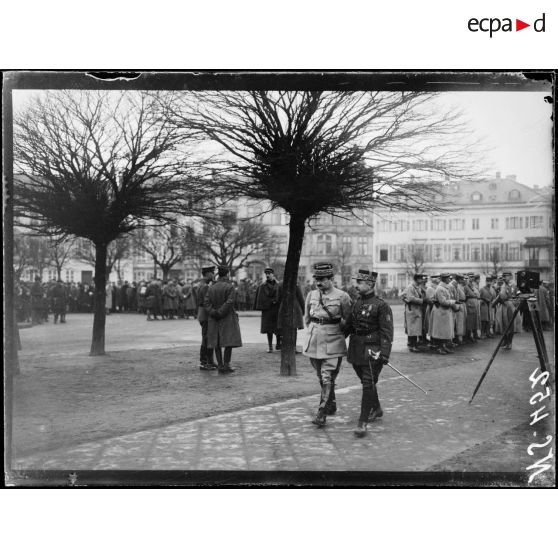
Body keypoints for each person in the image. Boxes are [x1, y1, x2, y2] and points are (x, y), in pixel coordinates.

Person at [302, 262, 352, 428]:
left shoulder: (342, 296)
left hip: (333, 341)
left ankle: (321, 413)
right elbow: (307, 318)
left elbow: (348, 321)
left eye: (322, 279)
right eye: (317, 279)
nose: (318, 282)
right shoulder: (311, 295)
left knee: (327, 376)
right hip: (314, 341)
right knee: (320, 376)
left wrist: (338, 336)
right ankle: (331, 402)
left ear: (332, 279)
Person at [346, 269, 394, 438]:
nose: (356, 286)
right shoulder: (356, 303)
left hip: (372, 351)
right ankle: (377, 408)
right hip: (356, 350)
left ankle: (362, 422)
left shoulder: (381, 306)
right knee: (367, 382)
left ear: (370, 284)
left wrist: (385, 354)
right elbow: (349, 327)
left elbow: (387, 333)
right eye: (357, 282)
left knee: (367, 383)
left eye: (359, 283)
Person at [204, 266, 242, 374]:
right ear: (227, 274)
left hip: (214, 318)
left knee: (216, 342)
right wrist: (221, 312)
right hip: (227, 317)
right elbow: (230, 302)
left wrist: (213, 312)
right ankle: (226, 365)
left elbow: (206, 303)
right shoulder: (230, 287)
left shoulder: (211, 287)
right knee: (228, 342)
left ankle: (220, 365)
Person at [429, 272, 460, 354]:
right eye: (448, 278)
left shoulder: (445, 287)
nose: (450, 279)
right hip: (440, 312)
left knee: (445, 331)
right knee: (440, 331)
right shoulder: (440, 288)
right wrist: (453, 302)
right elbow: (443, 302)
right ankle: (440, 347)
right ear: (445, 279)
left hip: (445, 312)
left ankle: (443, 346)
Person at [253, 268, 282, 352]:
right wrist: (270, 301)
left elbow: (281, 296)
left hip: (277, 309)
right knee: (269, 330)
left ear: (273, 274)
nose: (267, 275)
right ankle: (270, 347)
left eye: (269, 273)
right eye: (266, 273)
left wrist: (276, 300)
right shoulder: (262, 286)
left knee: (278, 328)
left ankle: (278, 344)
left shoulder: (279, 285)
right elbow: (261, 298)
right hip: (267, 310)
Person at [197, 266, 217, 370]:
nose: (214, 275)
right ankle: (204, 362)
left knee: (208, 337)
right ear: (208, 274)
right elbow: (206, 303)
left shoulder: (202, 284)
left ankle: (210, 361)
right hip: (205, 315)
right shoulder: (205, 286)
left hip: (203, 314)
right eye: (212, 273)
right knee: (206, 338)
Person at [491, 271, 516, 349]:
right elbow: (500, 295)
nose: (504, 278)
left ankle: (509, 343)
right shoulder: (503, 285)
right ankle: (505, 341)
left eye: (506, 276)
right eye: (504, 276)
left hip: (509, 305)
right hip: (503, 305)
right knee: (503, 324)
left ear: (510, 276)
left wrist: (513, 304)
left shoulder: (513, 285)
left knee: (510, 325)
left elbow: (516, 295)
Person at [402, 274, 425, 352]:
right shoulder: (410, 287)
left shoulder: (417, 287)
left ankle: (414, 344)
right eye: (420, 279)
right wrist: (422, 301)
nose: (422, 280)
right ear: (416, 279)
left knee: (416, 328)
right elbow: (410, 298)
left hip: (416, 309)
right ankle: (412, 345)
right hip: (412, 309)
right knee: (413, 328)